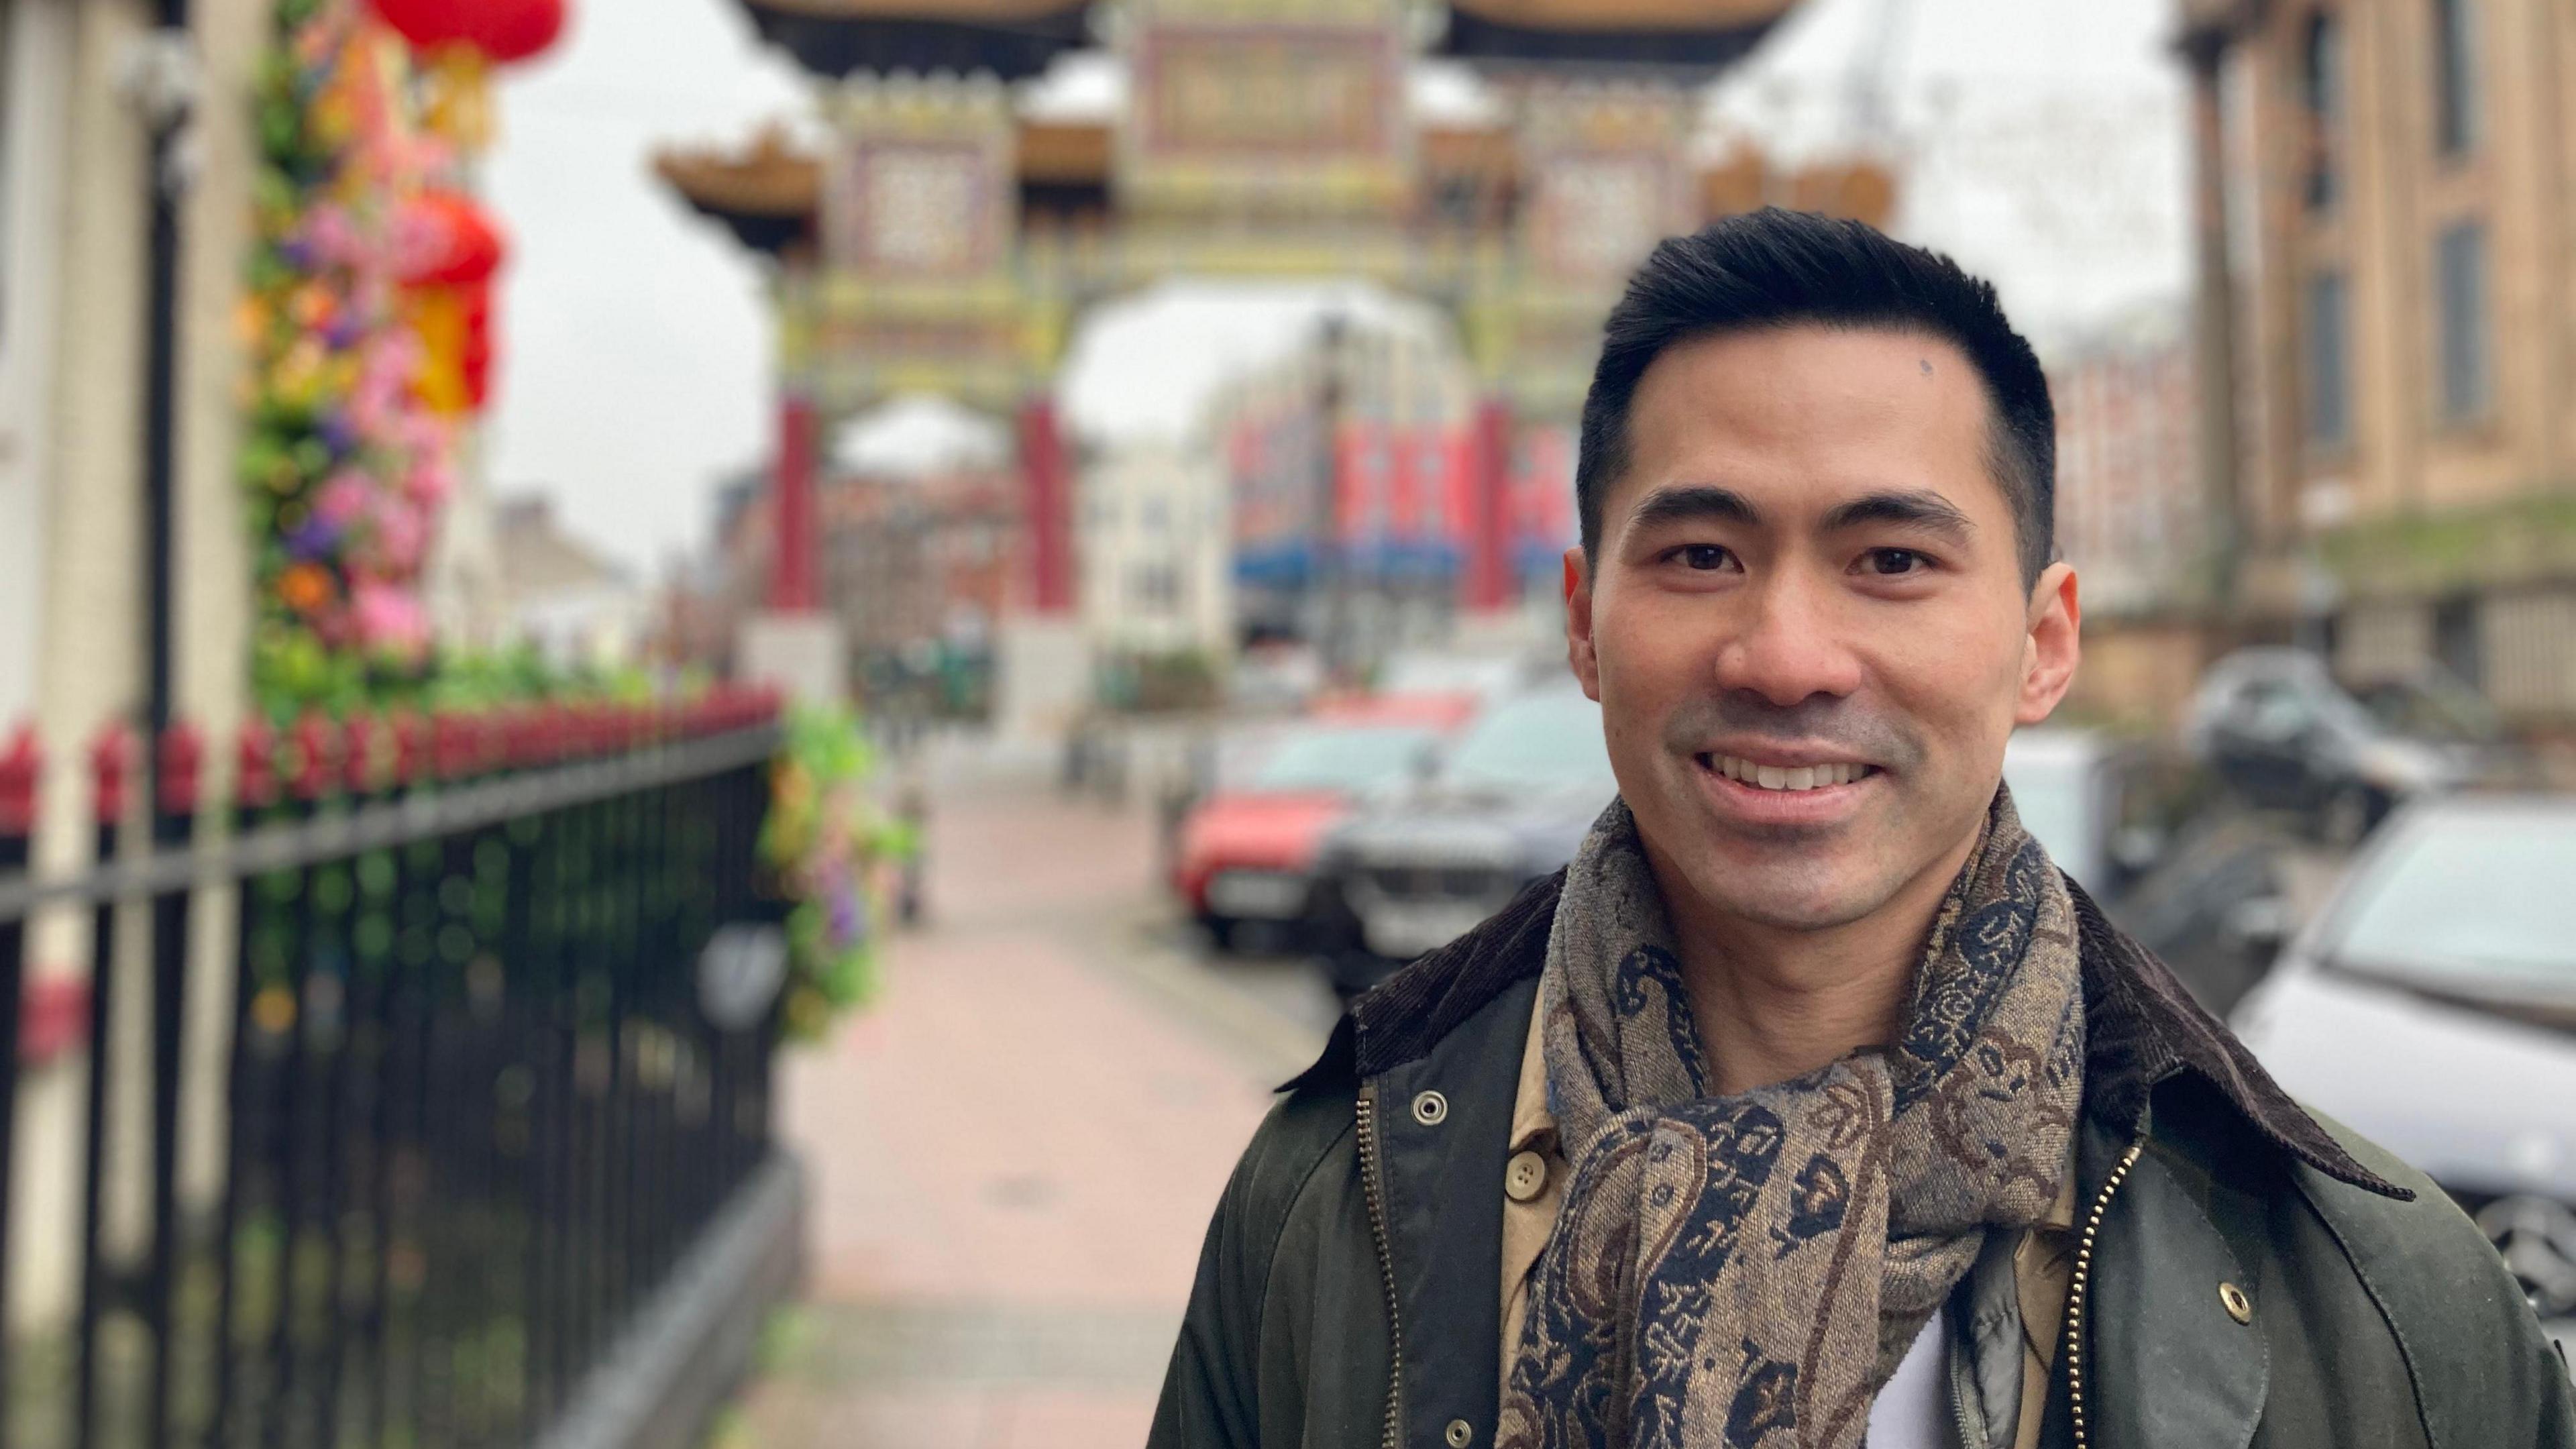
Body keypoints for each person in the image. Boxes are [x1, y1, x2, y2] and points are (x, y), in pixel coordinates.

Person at [1148, 209, 2573, 1449]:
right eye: (1702, 556)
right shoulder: (1330, 1211)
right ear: (1585, 623)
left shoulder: (2381, 1296)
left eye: (1892, 561)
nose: (1785, 656)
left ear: (2042, 641)